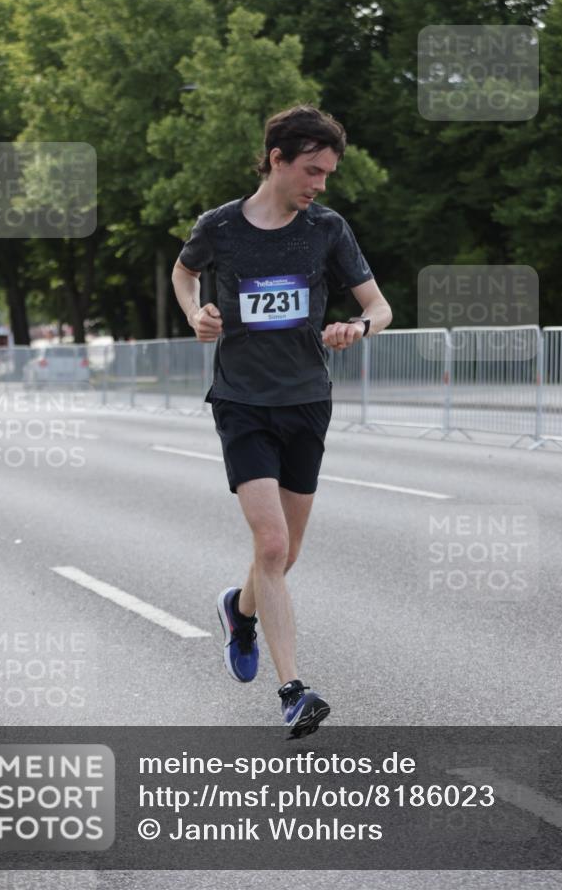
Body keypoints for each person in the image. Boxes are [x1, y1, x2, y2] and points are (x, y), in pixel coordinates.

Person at [171, 104, 392, 737]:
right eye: (311, 170)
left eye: (327, 173)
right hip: (242, 402)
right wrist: (196, 314)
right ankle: (293, 690)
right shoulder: (219, 227)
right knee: (270, 545)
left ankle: (238, 612)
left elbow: (381, 308)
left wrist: (357, 326)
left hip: (306, 401)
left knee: (286, 554)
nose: (320, 183)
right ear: (277, 159)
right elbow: (185, 274)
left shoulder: (326, 228)